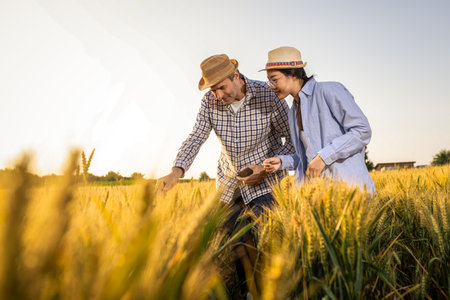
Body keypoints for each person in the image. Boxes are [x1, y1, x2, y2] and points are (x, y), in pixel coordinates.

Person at [156, 54, 295, 298]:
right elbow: (196, 138)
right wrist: (175, 172)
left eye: (222, 87)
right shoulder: (209, 103)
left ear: (237, 77)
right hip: (230, 185)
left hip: (265, 185)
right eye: (213, 89)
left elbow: (291, 141)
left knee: (266, 241)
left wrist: (265, 168)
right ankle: (246, 294)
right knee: (238, 248)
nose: (218, 95)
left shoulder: (268, 96)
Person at [262, 46, 375, 193]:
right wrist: (282, 161)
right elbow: (308, 157)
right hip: (319, 196)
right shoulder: (292, 111)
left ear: (293, 74)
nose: (271, 86)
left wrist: (323, 157)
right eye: (269, 81)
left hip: (350, 192)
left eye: (275, 80)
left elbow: (362, 131)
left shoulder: (330, 90)